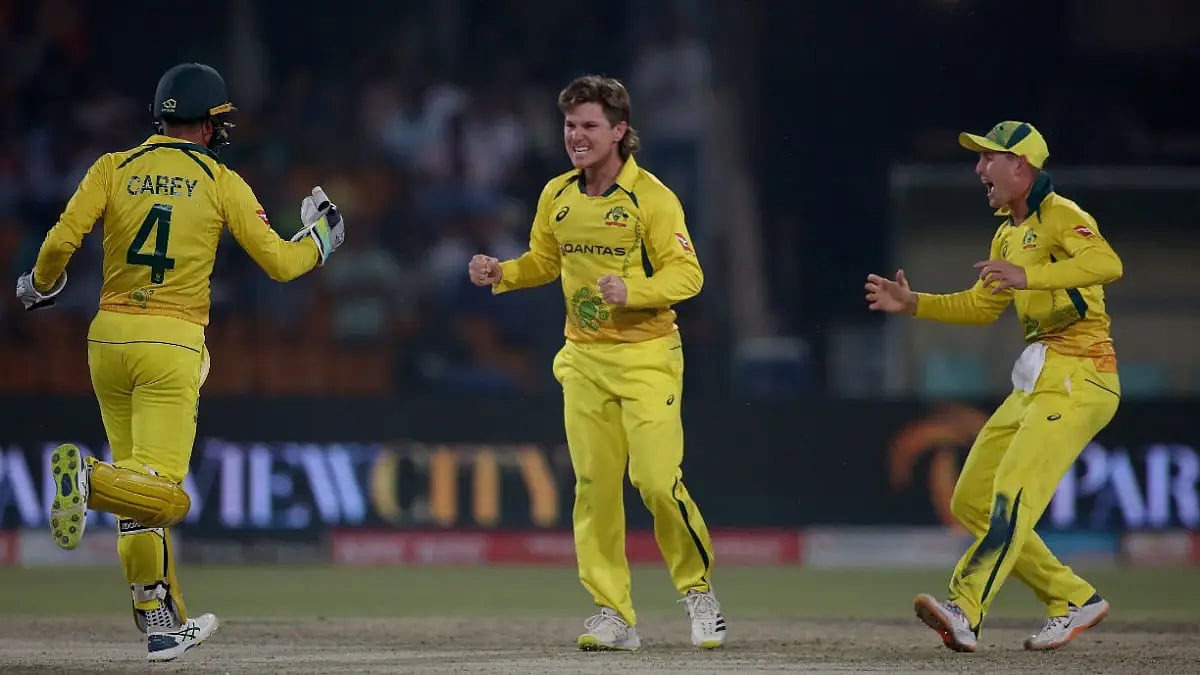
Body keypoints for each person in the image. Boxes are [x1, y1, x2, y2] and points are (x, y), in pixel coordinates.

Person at [14, 62, 345, 662]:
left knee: (137, 490)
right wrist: (321, 239)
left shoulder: (113, 167)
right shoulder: (220, 180)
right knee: (167, 496)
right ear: (208, 123)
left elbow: (61, 240)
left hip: (106, 338)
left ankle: (160, 621)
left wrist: (40, 285)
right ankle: (86, 479)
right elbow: (279, 263)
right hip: (172, 342)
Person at [468, 75, 724, 651]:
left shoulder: (651, 197)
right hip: (583, 359)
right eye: (569, 125)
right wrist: (502, 273)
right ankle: (614, 614)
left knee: (656, 482)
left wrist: (633, 291)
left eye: (588, 126)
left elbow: (689, 275)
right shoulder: (556, 194)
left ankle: (698, 592)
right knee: (593, 489)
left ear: (619, 131)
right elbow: (544, 261)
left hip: (648, 357)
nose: (576, 136)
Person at [865, 121, 1121, 653]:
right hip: (1039, 378)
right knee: (971, 502)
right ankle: (1072, 597)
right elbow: (982, 307)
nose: (979, 169)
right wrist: (915, 304)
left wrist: (1030, 277)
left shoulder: (1062, 215)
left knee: (1011, 496)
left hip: (1081, 374)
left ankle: (965, 607)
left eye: (989, 158)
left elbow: (1106, 263)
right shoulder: (1008, 233)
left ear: (1020, 166)